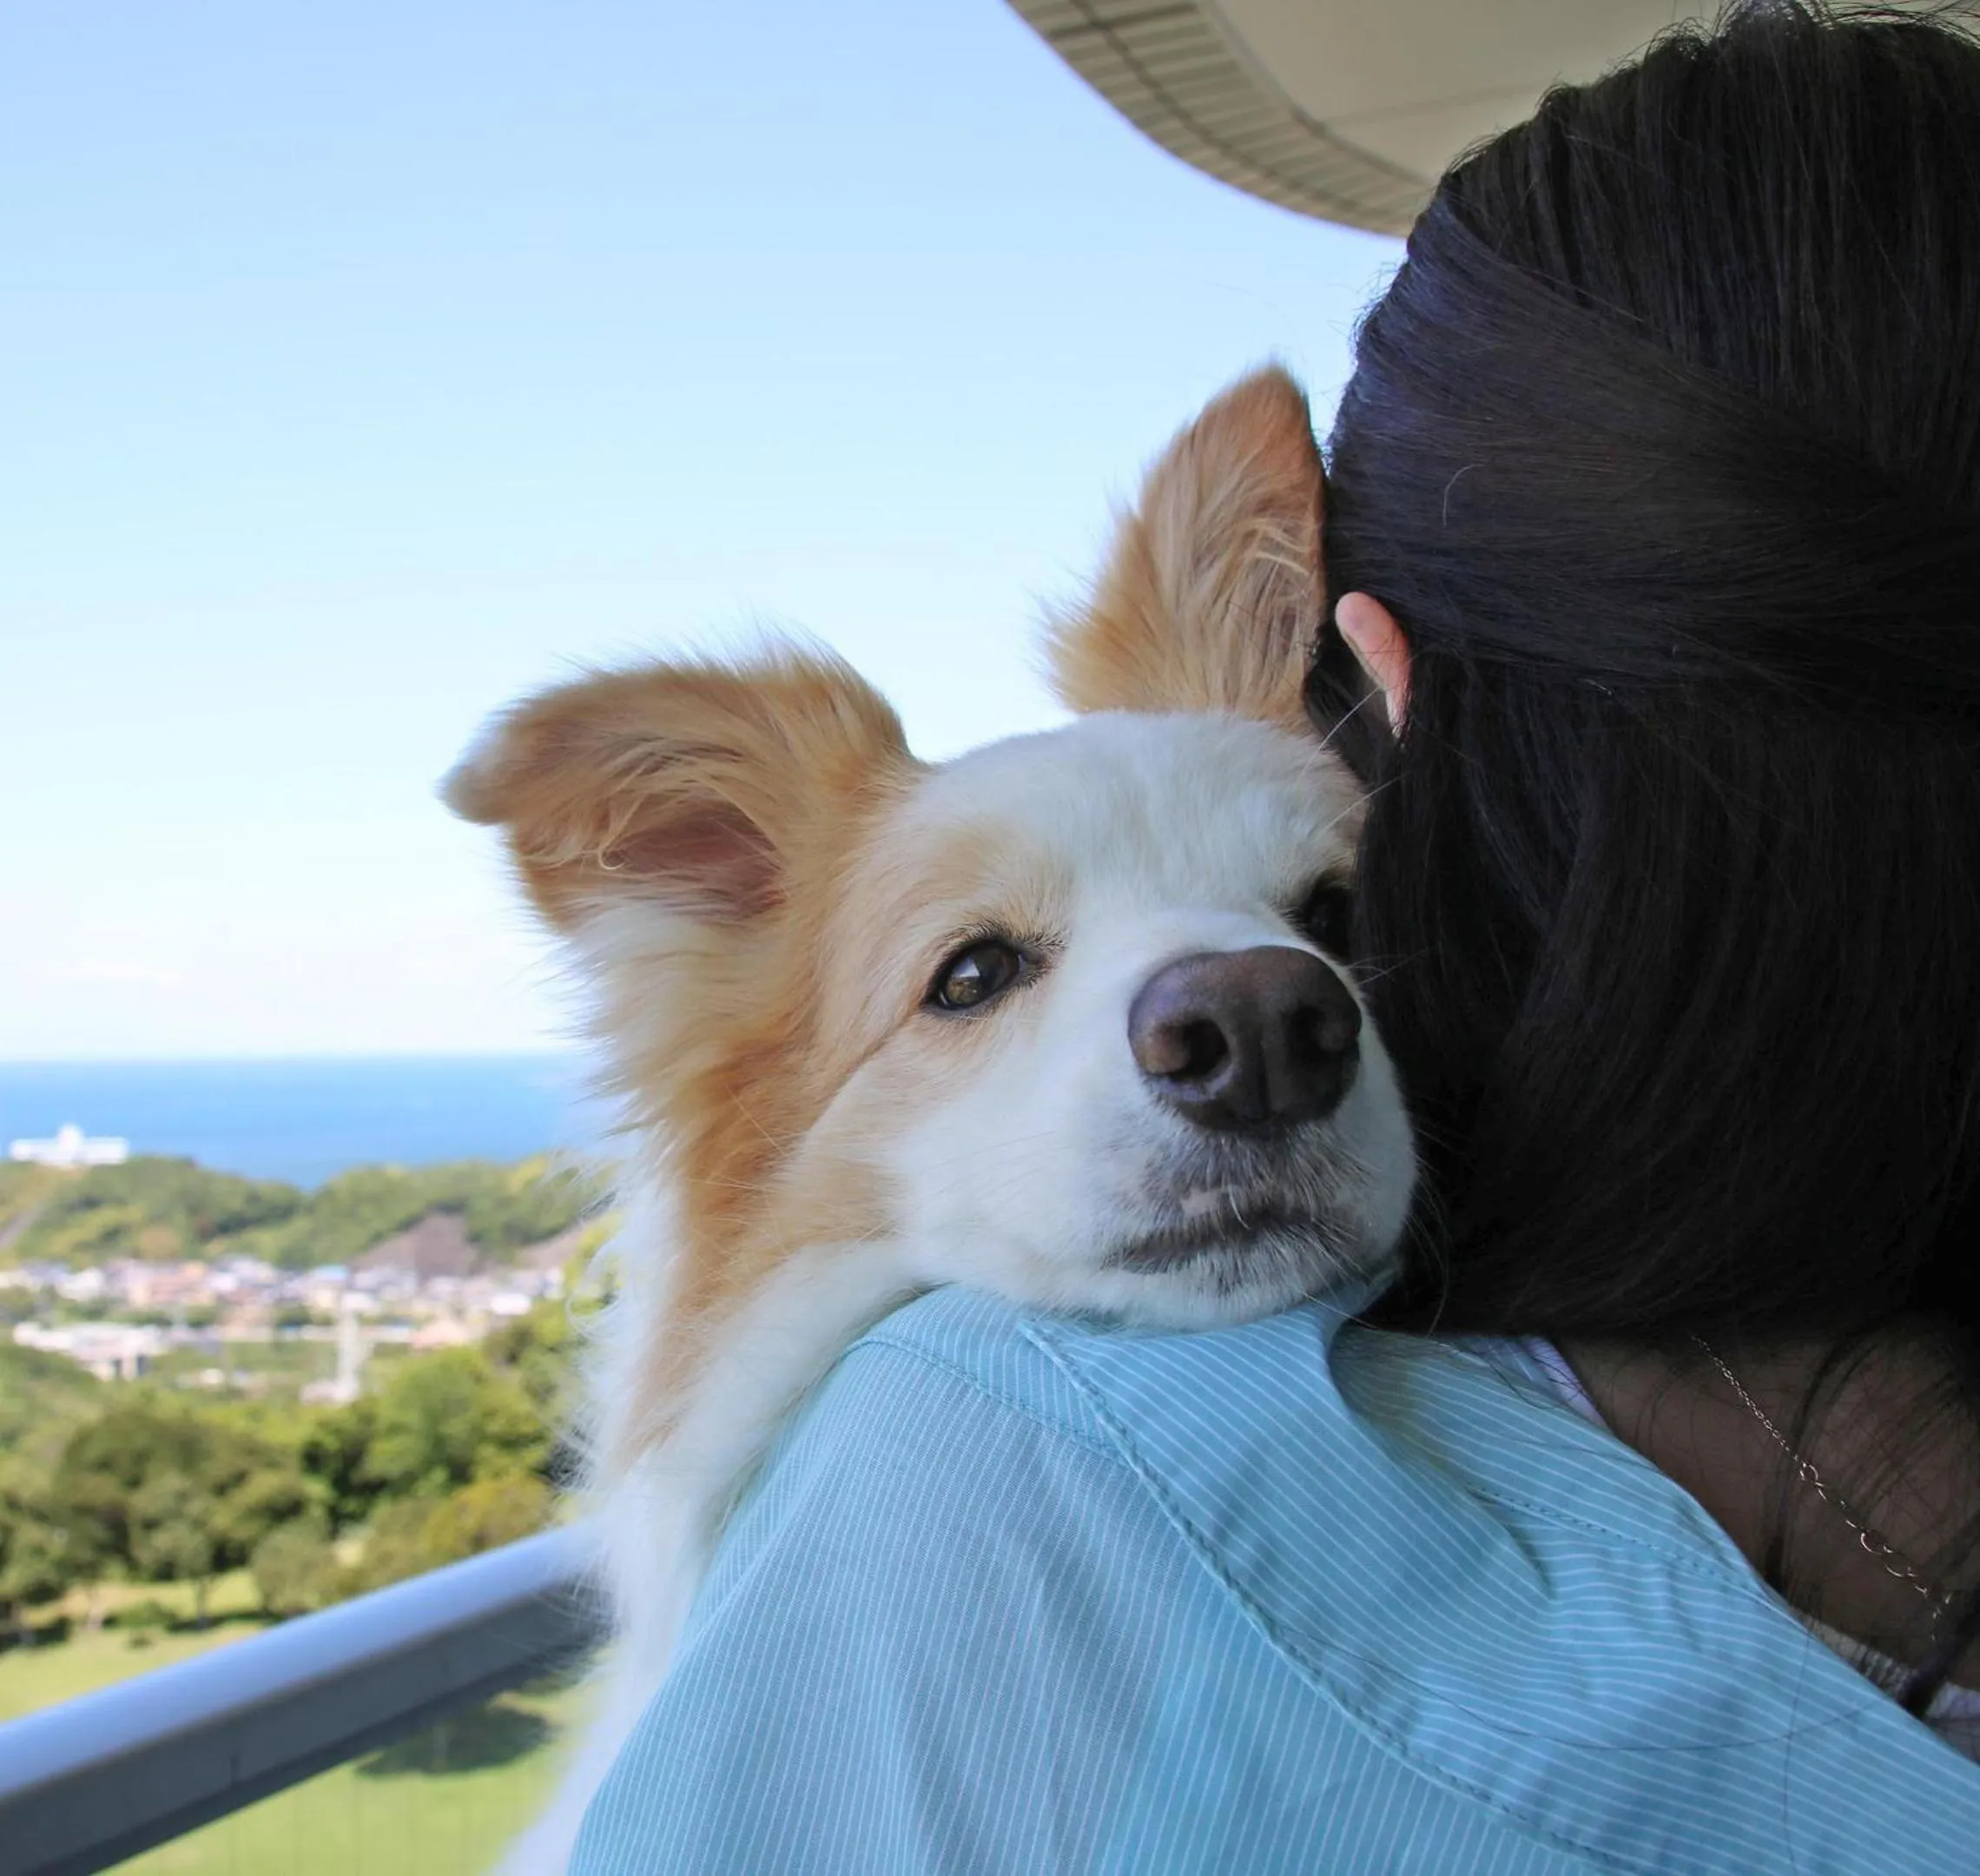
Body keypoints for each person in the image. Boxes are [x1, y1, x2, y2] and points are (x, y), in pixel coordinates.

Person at [570, 6, 1980, 1869]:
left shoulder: (996, 1464)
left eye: (1319, 918)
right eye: (981, 971)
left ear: (1384, 690)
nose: (1248, 1007)